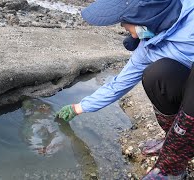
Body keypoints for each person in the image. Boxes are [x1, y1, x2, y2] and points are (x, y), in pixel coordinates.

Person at [56, 0, 194, 179]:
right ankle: (175, 140)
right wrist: (78, 108)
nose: (129, 33)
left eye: (125, 24)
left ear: (145, 16)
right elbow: (117, 85)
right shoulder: (148, 47)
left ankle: (171, 167)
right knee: (155, 74)